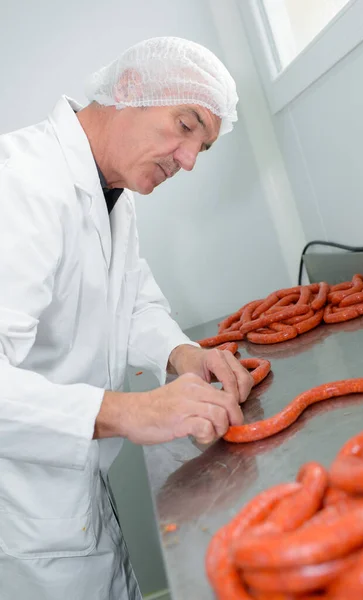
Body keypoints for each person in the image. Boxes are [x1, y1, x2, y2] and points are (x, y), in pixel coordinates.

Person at [0, 37, 253, 599]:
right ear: (131, 89)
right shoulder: (20, 184)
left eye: (202, 147)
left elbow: (131, 299)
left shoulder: (111, 190)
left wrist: (182, 353)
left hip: (76, 500)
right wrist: (128, 411)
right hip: (20, 520)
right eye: (185, 126)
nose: (188, 160)